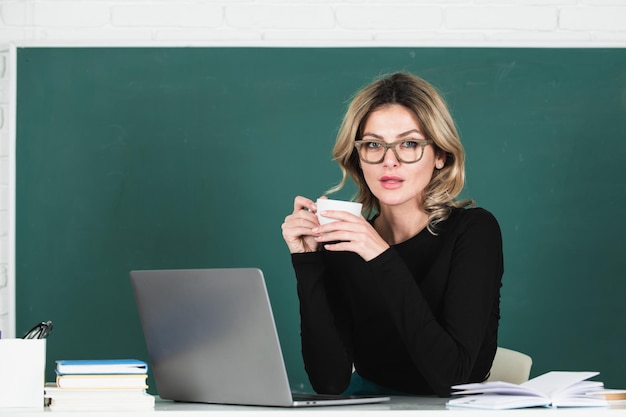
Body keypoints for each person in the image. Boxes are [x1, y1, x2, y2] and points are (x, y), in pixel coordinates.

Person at [281, 72, 503, 397]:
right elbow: (328, 382)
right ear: (359, 157)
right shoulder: (348, 240)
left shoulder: (474, 231)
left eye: (409, 144)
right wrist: (308, 262)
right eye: (373, 145)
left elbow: (451, 378)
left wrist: (379, 255)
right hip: (372, 405)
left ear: (440, 155)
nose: (389, 161)